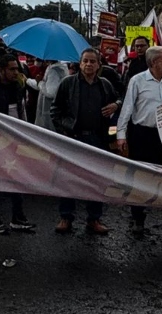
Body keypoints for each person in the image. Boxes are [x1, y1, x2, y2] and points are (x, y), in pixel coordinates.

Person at [116, 45, 162, 242]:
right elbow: (128, 107)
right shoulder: (138, 81)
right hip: (142, 135)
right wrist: (121, 135)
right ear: (154, 62)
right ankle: (138, 219)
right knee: (140, 177)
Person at [51, 48, 119, 236]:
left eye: (92, 61)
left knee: (96, 179)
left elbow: (119, 99)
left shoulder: (105, 85)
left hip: (98, 139)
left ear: (99, 65)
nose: (88, 64)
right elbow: (55, 111)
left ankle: (94, 218)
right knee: (68, 178)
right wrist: (65, 131)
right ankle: (66, 217)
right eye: (85, 61)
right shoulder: (68, 83)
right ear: (80, 63)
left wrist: (116, 105)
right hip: (74, 138)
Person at [0, 54, 36, 234]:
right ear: (1, 70)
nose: (16, 72)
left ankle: (17, 217)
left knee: (16, 177)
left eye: (17, 69)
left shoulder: (17, 87)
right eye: (12, 69)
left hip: (14, 140)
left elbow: (21, 110)